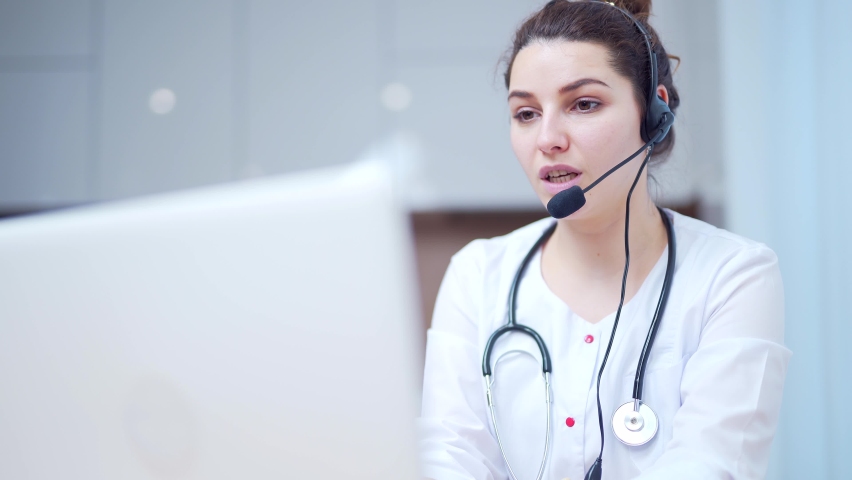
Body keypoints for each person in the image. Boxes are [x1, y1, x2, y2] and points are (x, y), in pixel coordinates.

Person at [417, 1, 791, 479]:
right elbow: (448, 456)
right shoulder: (477, 276)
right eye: (526, 113)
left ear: (652, 114)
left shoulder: (732, 275)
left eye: (584, 104)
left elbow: (710, 465)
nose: (547, 139)